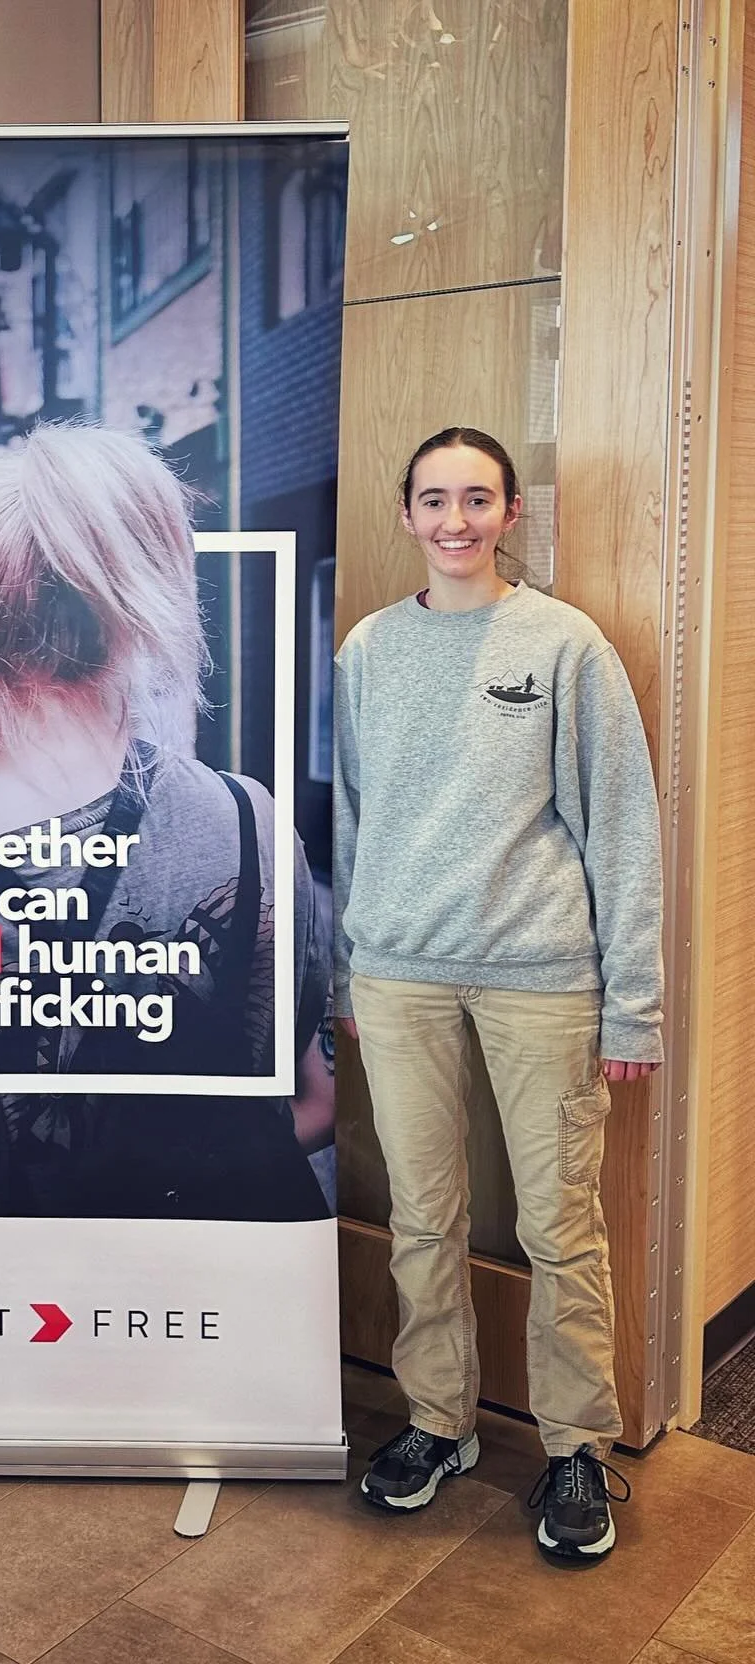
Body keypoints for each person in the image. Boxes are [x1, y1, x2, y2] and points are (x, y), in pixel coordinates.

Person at [0, 422, 333, 1221]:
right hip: (230, 1301)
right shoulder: (253, 820)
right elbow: (310, 1103)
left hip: (16, 1311)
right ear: (127, 616)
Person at [334, 427, 662, 1562]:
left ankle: (577, 1442)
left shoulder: (564, 642)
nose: (457, 518)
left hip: (543, 980)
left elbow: (621, 824)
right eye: (435, 498)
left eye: (479, 498)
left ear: (511, 512)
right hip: (400, 973)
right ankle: (439, 1420)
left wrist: (636, 1006)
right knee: (423, 1217)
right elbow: (354, 820)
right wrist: (349, 967)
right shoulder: (370, 648)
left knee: (557, 1224)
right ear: (409, 514)